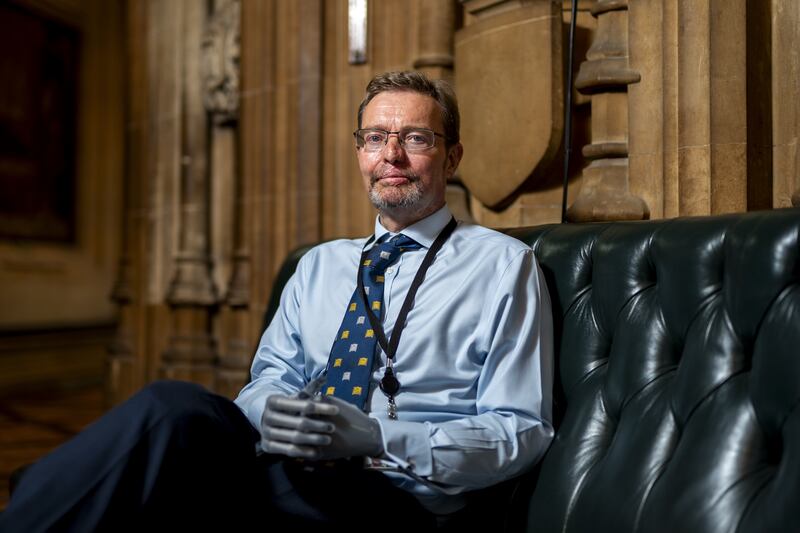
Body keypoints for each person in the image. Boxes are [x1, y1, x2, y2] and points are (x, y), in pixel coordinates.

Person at [0, 71, 553, 532]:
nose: (391, 155)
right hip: (285, 468)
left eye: (415, 138)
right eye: (374, 138)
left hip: (396, 497)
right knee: (173, 408)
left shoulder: (502, 265)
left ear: (451, 157)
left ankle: (45, 496)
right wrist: (277, 417)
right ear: (359, 150)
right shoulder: (319, 265)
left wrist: (377, 435)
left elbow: (521, 430)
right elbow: (265, 383)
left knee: (127, 491)